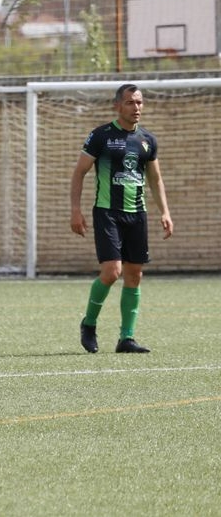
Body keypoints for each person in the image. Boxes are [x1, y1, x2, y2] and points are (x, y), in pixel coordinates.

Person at [70, 84, 173, 354]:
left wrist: (165, 211)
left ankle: (126, 338)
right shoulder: (101, 136)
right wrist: (75, 210)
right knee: (111, 272)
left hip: (137, 214)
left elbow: (155, 179)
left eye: (139, 102)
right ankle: (89, 324)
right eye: (130, 102)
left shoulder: (147, 140)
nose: (136, 107)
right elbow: (79, 172)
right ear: (117, 106)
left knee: (134, 275)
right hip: (107, 213)